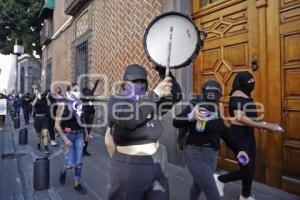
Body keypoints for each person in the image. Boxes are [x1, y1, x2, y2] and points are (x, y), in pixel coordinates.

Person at [107, 64, 182, 200]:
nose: (139, 85)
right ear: (125, 83)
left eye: (142, 81)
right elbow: (128, 118)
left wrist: (163, 71)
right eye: (135, 81)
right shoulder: (116, 100)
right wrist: (155, 94)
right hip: (129, 165)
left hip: (158, 161)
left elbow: (176, 95)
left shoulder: (150, 100)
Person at [215, 72, 284, 200]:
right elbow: (240, 117)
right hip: (238, 137)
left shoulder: (246, 95)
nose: (252, 84)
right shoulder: (236, 96)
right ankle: (220, 179)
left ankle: (245, 196)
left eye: (253, 82)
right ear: (241, 83)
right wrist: (265, 126)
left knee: (250, 168)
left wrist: (259, 123)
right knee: (246, 169)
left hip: (248, 135)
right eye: (249, 82)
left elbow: (250, 115)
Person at [55, 83, 89, 195]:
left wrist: (86, 133)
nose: (78, 92)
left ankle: (77, 184)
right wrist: (65, 139)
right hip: (67, 135)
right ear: (69, 92)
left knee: (79, 162)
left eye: (79, 90)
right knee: (70, 164)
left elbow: (82, 119)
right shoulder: (63, 105)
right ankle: (63, 171)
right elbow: (57, 125)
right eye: (75, 90)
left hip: (79, 135)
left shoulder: (79, 104)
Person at [81, 79, 99, 156]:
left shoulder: (86, 96)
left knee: (86, 133)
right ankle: (83, 150)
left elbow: (94, 89)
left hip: (88, 115)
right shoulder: (83, 97)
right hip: (86, 116)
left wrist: (96, 82)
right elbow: (94, 88)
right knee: (85, 133)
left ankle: (84, 150)